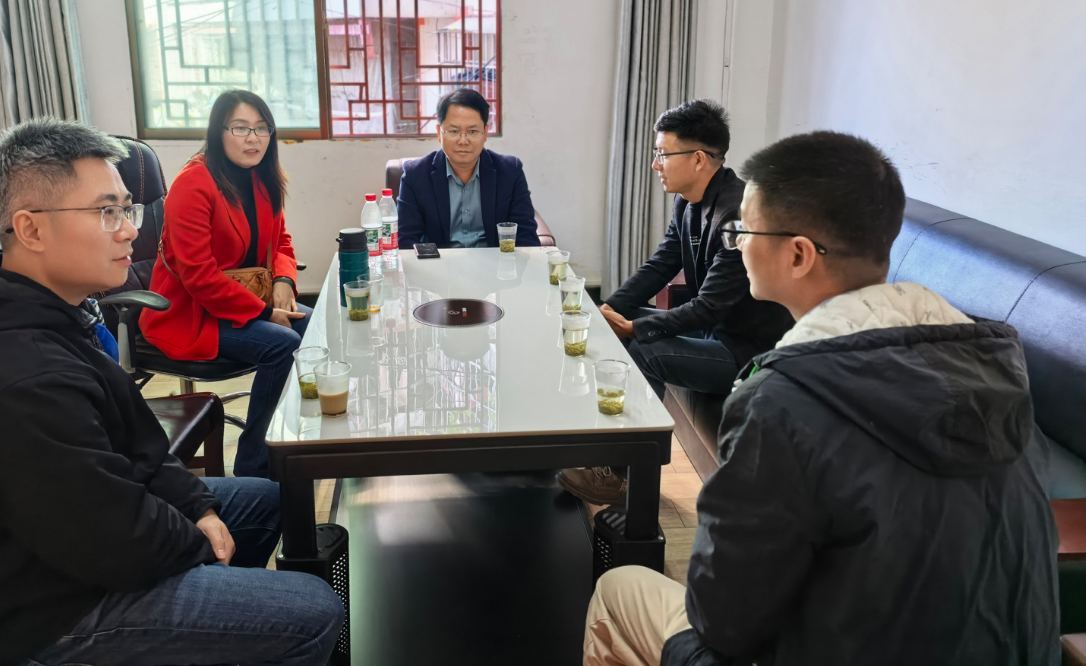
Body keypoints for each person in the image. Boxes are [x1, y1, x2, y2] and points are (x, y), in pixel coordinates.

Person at [583, 131, 1059, 666]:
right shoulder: (993, 365)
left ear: (798, 254)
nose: (737, 245)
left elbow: (723, 619)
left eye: (743, 232)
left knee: (619, 589)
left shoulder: (780, 402)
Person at [0, 118, 343, 666]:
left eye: (127, 210)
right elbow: (114, 542)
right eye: (106, 212)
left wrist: (196, 506)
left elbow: (139, 445)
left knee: (272, 502)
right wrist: (199, 539)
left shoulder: (47, 307)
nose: (131, 232)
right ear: (31, 229)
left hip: (89, 537)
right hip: (40, 612)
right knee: (313, 610)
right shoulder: (16, 380)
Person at [560, 100, 793, 506]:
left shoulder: (738, 216)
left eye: (662, 154)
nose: (656, 164)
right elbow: (662, 263)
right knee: (623, 324)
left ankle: (618, 477)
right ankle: (597, 441)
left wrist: (635, 328)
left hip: (747, 351)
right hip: (714, 331)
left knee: (645, 349)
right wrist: (609, 309)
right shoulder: (687, 200)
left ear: (698, 159)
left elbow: (710, 306)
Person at [141, 89, 310, 478]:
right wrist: (265, 313)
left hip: (244, 298)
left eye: (262, 128)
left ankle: (294, 442)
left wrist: (284, 280)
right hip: (191, 313)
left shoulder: (263, 177)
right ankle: (256, 466)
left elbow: (282, 243)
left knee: (317, 328)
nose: (253, 138)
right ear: (218, 132)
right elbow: (199, 277)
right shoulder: (193, 183)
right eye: (240, 128)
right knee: (283, 344)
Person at [396, 88, 541, 249]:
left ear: (485, 133)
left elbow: (526, 237)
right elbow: (406, 240)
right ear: (439, 133)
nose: (463, 141)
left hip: (495, 262)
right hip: (439, 262)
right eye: (454, 131)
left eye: (472, 131)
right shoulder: (415, 175)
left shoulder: (510, 172)